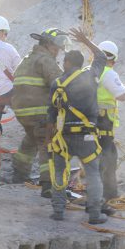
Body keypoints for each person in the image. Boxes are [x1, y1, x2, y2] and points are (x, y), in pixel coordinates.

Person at [47, 28, 108, 224]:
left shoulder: (57, 83)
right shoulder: (90, 75)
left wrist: (50, 138)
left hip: (63, 136)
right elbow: (101, 57)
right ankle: (95, 215)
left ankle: (58, 211)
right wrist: (86, 41)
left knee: (58, 170)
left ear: (66, 63)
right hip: (88, 135)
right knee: (92, 172)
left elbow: (52, 113)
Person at [11, 28, 68, 197]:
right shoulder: (45, 60)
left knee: (31, 139)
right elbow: (60, 82)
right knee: (46, 143)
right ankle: (48, 184)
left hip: (22, 112)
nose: (57, 52)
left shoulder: (27, 59)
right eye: (57, 48)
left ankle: (19, 174)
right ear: (49, 45)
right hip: (39, 111)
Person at [94, 41, 125, 201]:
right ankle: (108, 196)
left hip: (90, 123)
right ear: (114, 59)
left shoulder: (91, 71)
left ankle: (98, 193)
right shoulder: (109, 73)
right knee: (109, 160)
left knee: (95, 160)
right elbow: (122, 96)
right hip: (104, 126)